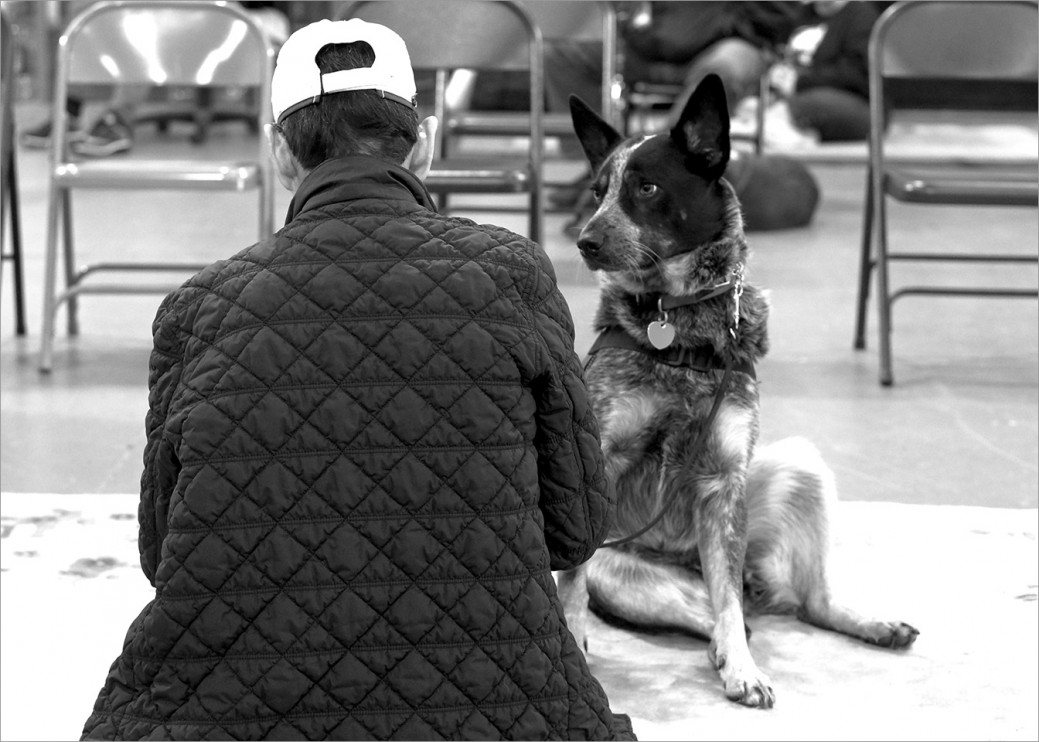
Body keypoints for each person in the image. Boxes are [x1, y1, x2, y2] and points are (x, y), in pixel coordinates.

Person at [79, 17, 634, 742]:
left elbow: (162, 553)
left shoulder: (199, 308)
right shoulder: (512, 274)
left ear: (280, 153)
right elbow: (576, 530)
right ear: (424, 146)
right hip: (499, 707)